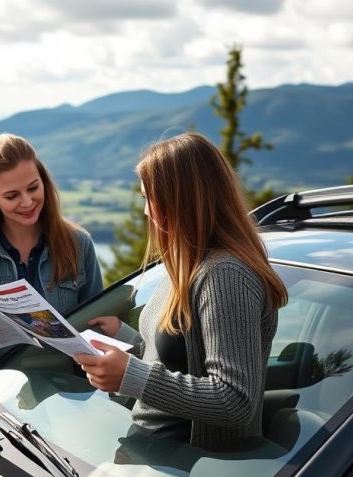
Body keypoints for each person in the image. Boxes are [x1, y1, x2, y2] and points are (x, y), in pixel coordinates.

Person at [73, 132, 288, 449]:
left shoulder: (225, 275)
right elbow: (180, 358)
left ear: (180, 200)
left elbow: (235, 400)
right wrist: (126, 337)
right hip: (157, 455)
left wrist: (132, 376)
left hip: (190, 472)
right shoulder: (186, 265)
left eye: (149, 199)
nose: (146, 211)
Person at [0, 134, 104, 376]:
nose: (27, 202)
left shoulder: (79, 244)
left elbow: (98, 323)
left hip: (68, 389)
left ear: (43, 181)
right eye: (12, 196)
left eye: (33, 188)